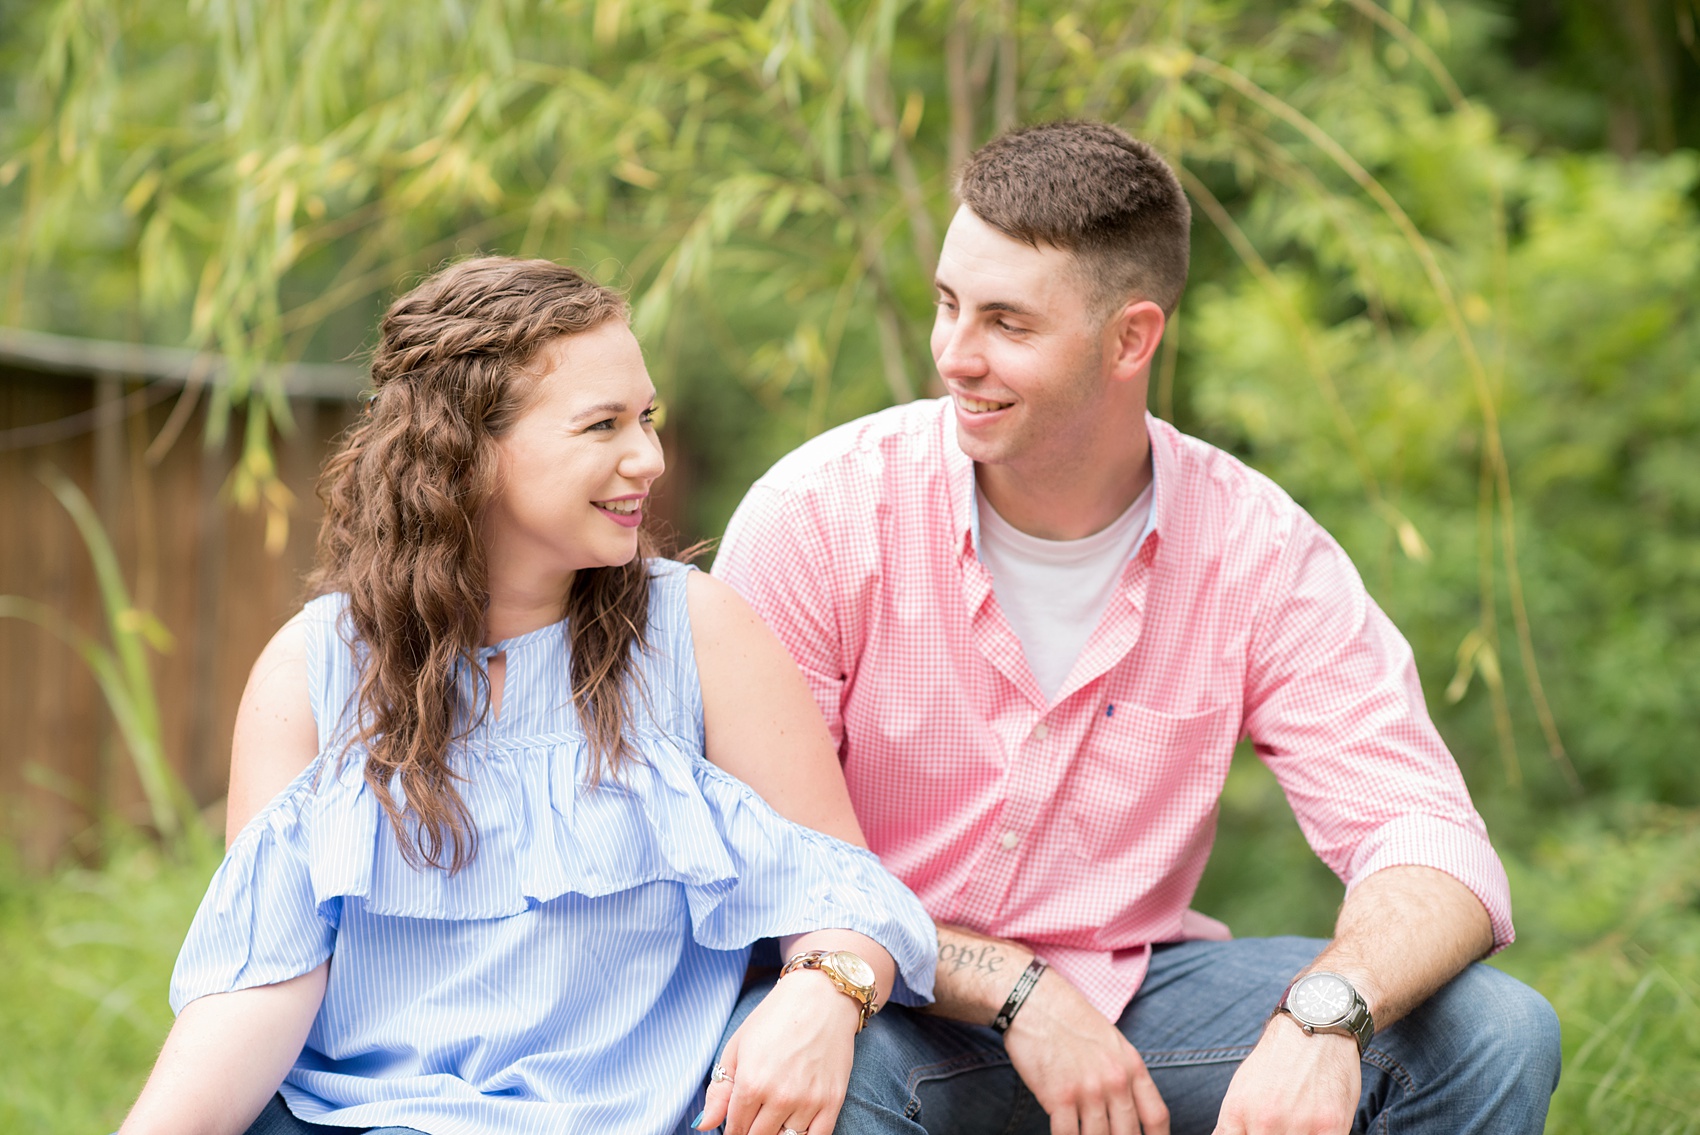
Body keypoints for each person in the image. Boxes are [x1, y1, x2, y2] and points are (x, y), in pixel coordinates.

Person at [712, 122, 1562, 1135]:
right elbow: (766, 859)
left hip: (1139, 1010)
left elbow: (1424, 842)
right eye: (947, 304)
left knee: (1491, 1032)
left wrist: (1321, 1018)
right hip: (875, 1001)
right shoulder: (817, 513)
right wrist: (1016, 989)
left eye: (1006, 325)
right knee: (806, 1078)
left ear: (1130, 338)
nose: (954, 355)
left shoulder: (1257, 548)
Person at [119, 257, 937, 1135]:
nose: (649, 457)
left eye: (647, 418)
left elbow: (845, 896)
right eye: (603, 425)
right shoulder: (312, 670)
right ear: (466, 449)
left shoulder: (694, 634)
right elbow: (259, 985)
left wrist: (825, 989)